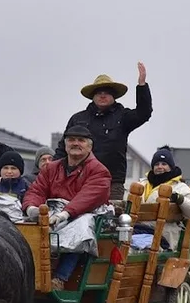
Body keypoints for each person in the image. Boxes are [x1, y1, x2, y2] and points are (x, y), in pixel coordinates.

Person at [22, 124, 112, 291]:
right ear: (65, 144)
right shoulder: (51, 168)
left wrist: (64, 214)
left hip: (88, 214)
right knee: (23, 226)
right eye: (71, 140)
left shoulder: (99, 171)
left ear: (89, 146)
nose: (75, 143)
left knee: (81, 227)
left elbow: (88, 197)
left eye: (81, 140)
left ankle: (60, 278)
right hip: (54, 213)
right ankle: (29, 276)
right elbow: (36, 190)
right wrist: (32, 209)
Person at [54, 62, 152, 200]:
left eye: (107, 92)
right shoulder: (78, 119)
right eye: (99, 92)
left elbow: (144, 113)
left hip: (111, 183)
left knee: (108, 219)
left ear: (114, 96)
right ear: (92, 96)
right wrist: (51, 172)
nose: (102, 95)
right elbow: (62, 149)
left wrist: (142, 86)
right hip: (78, 180)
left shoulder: (123, 117)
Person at [125, 146, 190, 250]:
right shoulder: (141, 184)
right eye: (156, 164)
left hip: (164, 238)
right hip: (137, 232)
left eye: (164, 164)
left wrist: (179, 198)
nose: (160, 167)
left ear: (171, 167)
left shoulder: (179, 187)